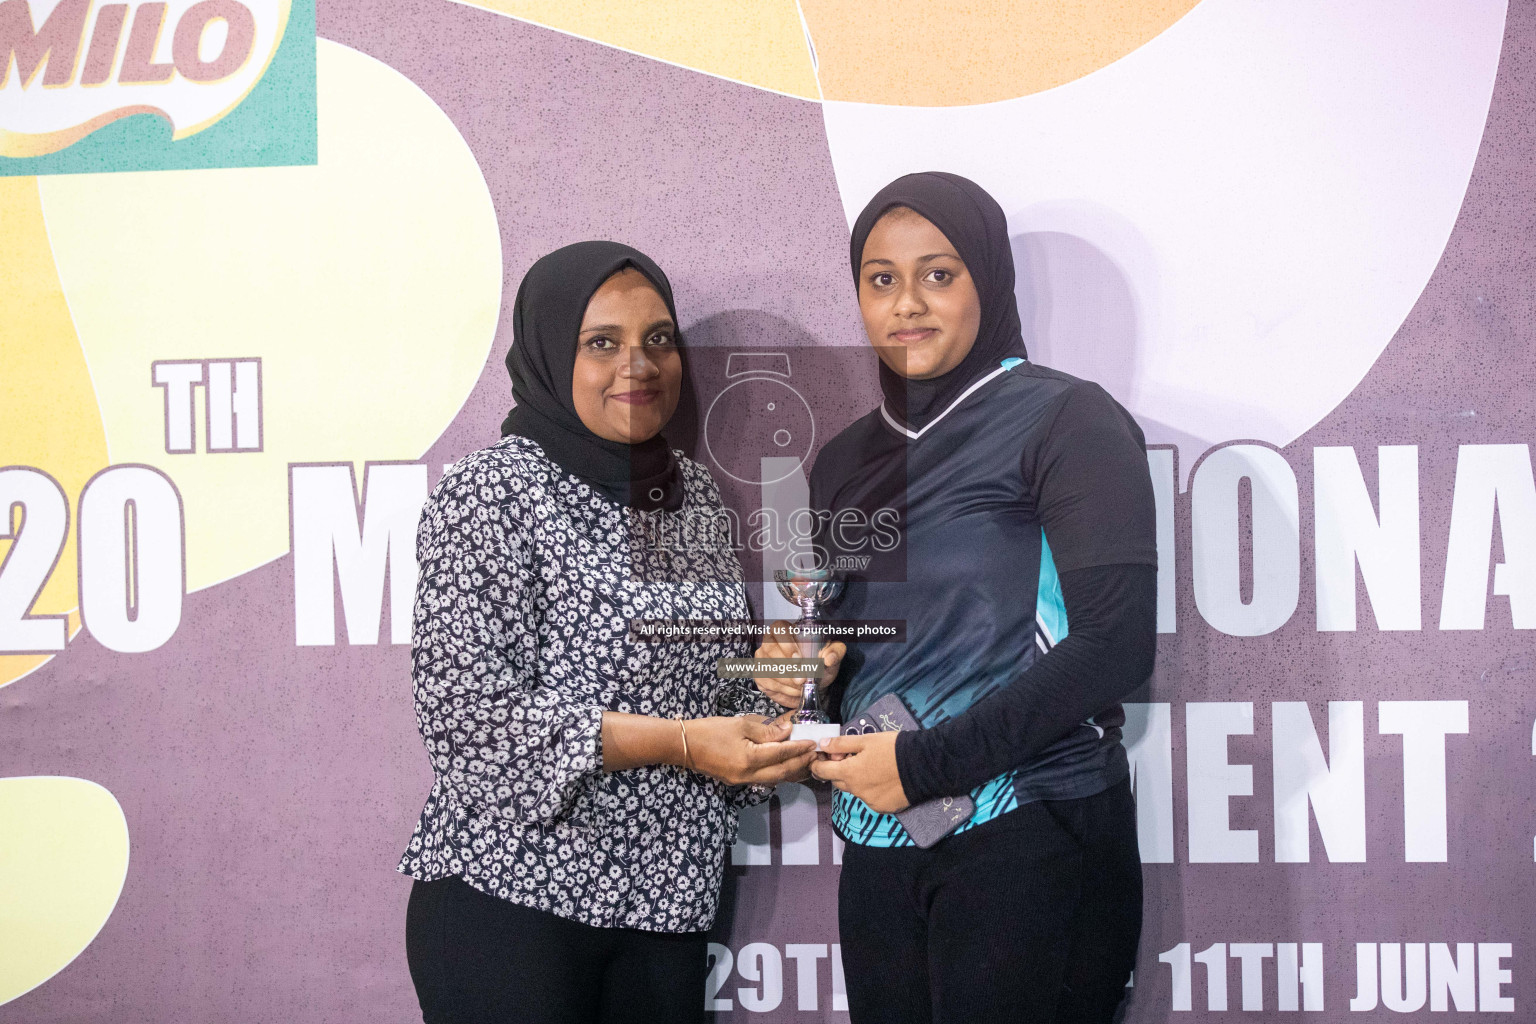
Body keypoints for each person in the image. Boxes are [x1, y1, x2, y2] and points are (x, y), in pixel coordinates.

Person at [757, 173, 1157, 1023]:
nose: (908, 303)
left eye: (938, 274)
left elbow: (1115, 647)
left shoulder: (1067, 420)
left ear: (987, 278)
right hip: (880, 845)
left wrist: (922, 766)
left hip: (1034, 834)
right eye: (881, 279)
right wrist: (799, 678)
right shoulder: (838, 462)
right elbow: (838, 653)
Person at [398, 241, 830, 1024]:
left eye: (658, 340)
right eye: (603, 343)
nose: (639, 364)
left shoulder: (688, 494)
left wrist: (766, 682)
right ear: (550, 354)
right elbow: (472, 724)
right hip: (515, 901)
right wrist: (688, 744)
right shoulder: (492, 493)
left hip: (665, 913)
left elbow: (699, 689)